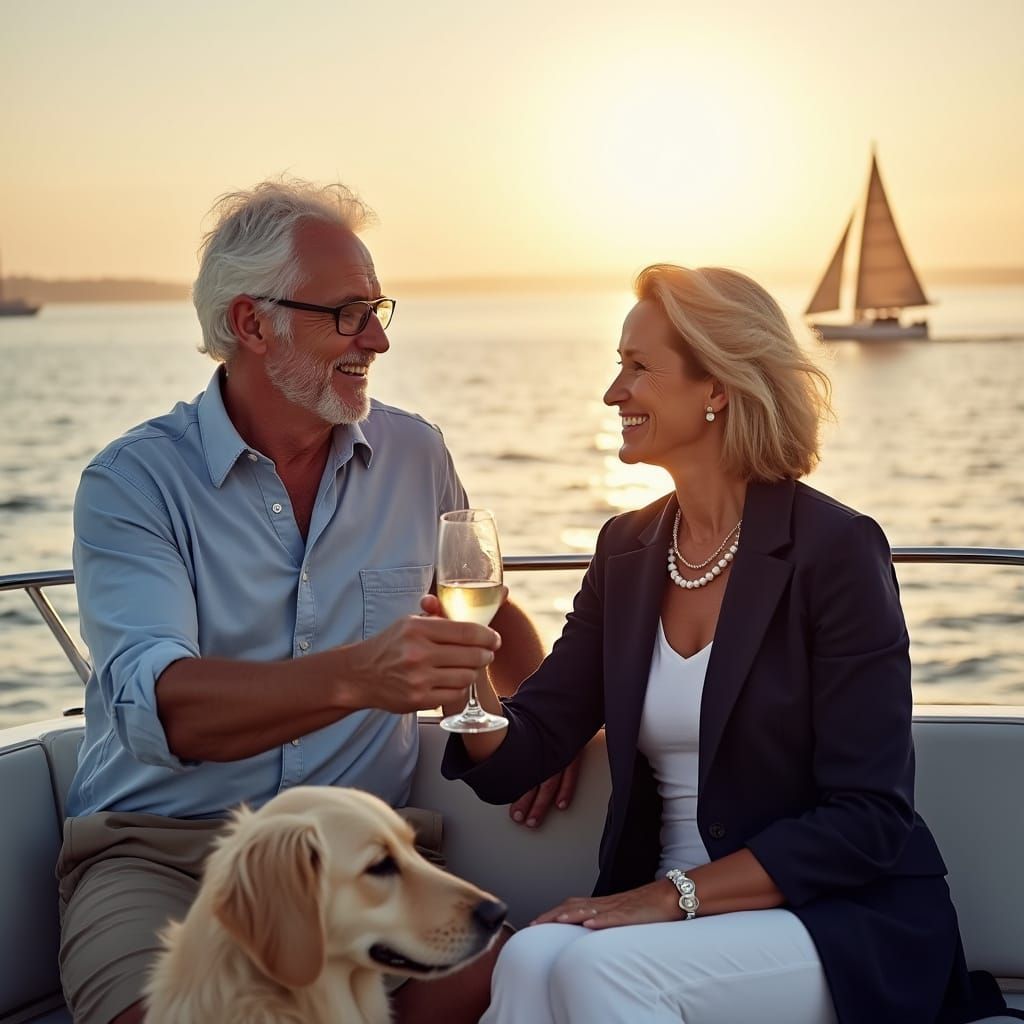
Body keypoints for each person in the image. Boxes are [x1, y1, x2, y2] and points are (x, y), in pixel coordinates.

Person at [439, 265, 1021, 1023]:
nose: (614, 393)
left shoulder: (834, 550)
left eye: (638, 368)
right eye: (618, 366)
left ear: (718, 387)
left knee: (601, 976)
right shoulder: (626, 547)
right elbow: (529, 746)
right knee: (528, 957)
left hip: (829, 917)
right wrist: (464, 671)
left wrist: (668, 897)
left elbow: (868, 819)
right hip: (668, 913)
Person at [58, 178, 564, 1024]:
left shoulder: (416, 453)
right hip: (169, 859)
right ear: (252, 323)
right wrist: (357, 677)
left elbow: (485, 613)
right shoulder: (132, 483)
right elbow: (163, 708)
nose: (377, 339)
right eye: (347, 314)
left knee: (537, 975)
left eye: (379, 309)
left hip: (365, 862)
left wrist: (550, 726)